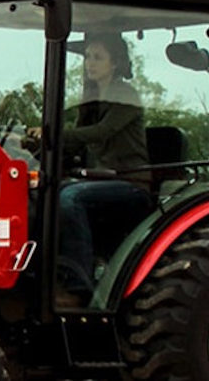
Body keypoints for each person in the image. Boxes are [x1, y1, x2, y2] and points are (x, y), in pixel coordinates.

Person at [48, 33, 154, 308]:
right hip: (100, 178)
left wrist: (52, 133)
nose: (89, 63)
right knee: (45, 191)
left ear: (115, 63)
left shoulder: (125, 95)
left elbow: (99, 133)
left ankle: (78, 287)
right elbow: (75, 145)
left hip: (130, 182)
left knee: (69, 199)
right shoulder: (92, 99)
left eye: (98, 57)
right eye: (87, 56)